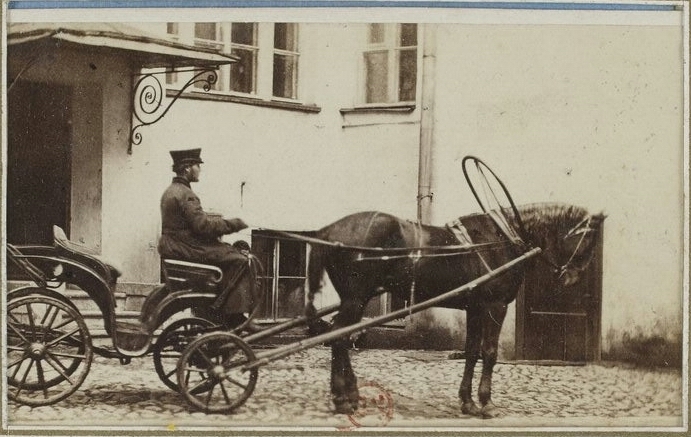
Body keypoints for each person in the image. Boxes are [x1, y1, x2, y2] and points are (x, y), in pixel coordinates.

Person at [157, 148, 259, 332]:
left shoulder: (171, 191)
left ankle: (226, 308)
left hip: (177, 245)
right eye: (197, 165)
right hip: (185, 247)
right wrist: (235, 223)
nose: (199, 170)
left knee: (230, 252)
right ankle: (233, 314)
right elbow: (202, 227)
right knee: (241, 260)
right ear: (187, 168)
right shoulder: (186, 194)